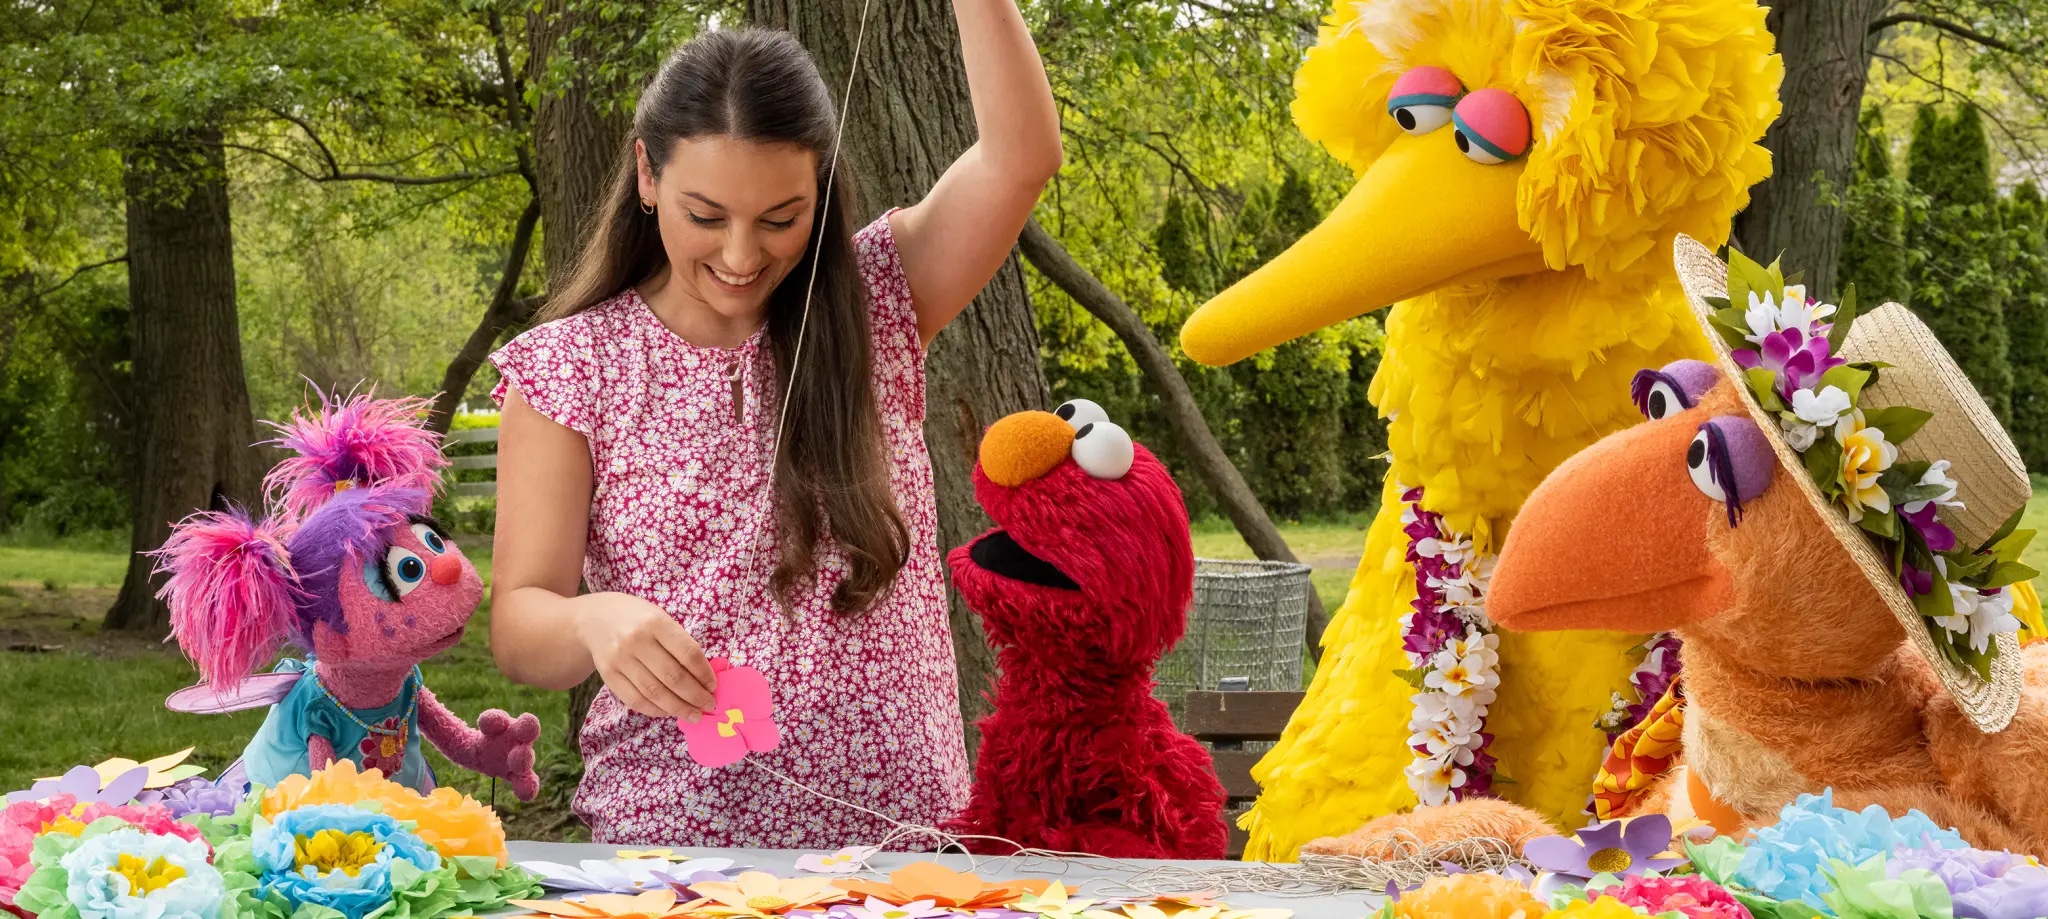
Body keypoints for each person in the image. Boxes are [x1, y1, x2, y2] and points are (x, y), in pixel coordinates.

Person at [485, 7, 1060, 846]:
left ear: (821, 189)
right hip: (672, 852)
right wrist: (589, 620)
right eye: (707, 216)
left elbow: (1022, 157)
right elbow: (519, 624)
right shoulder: (570, 368)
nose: (743, 254)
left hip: (901, 854)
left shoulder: (879, 300)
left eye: (781, 217)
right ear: (646, 174)